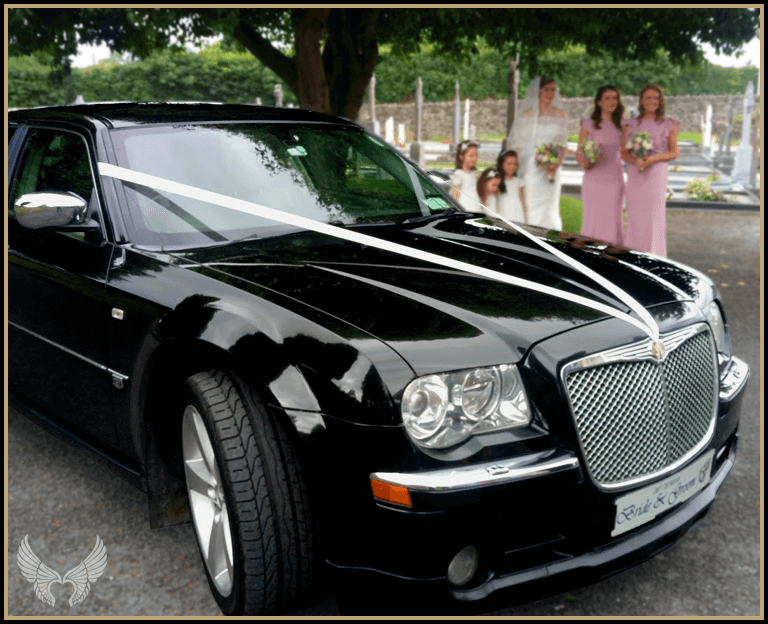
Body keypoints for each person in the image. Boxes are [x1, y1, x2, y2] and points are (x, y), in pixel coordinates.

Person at [621, 83, 679, 256]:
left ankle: (654, 254)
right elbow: (623, 152)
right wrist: (636, 161)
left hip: (656, 173)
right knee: (634, 213)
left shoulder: (669, 124)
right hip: (635, 172)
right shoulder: (629, 124)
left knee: (653, 216)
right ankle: (632, 253)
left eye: (655, 98)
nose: (652, 101)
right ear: (641, 100)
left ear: (660, 101)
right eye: (648, 97)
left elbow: (674, 152)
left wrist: (653, 158)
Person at [507, 77, 569, 230]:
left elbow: (563, 144)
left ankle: (553, 237)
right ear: (539, 91)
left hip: (553, 168)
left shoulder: (560, 115)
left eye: (553, 89)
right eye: (547, 89)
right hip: (532, 167)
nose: (550, 93)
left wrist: (555, 164)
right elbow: (517, 143)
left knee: (551, 207)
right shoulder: (527, 115)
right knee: (533, 204)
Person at [577, 85, 626, 246]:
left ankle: (612, 256)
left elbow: (627, 153)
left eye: (615, 98)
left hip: (614, 179)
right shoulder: (587, 125)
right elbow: (580, 155)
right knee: (593, 218)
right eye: (607, 98)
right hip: (593, 179)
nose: (612, 101)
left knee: (613, 218)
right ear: (599, 102)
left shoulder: (623, 126)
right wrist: (587, 162)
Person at [495, 149, 527, 222]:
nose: (512, 167)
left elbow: (522, 200)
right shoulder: (498, 180)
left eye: (515, 164)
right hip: (503, 211)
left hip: (517, 212)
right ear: (502, 165)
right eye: (509, 164)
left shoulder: (519, 181)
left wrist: (525, 216)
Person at [448, 140, 481, 210]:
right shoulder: (459, 174)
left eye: (476, 155)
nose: (474, 158)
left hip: (475, 204)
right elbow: (455, 195)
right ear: (461, 156)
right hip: (465, 205)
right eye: (471, 156)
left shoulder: (474, 173)